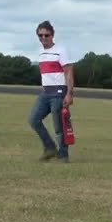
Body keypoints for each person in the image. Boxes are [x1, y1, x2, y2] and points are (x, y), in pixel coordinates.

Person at [27, 20, 75, 162]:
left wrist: (69, 93)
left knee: (59, 126)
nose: (43, 38)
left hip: (59, 92)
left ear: (52, 35)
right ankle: (50, 147)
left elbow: (69, 72)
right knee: (33, 120)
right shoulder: (41, 52)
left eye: (46, 35)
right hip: (46, 93)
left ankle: (63, 155)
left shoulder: (61, 50)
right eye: (40, 35)